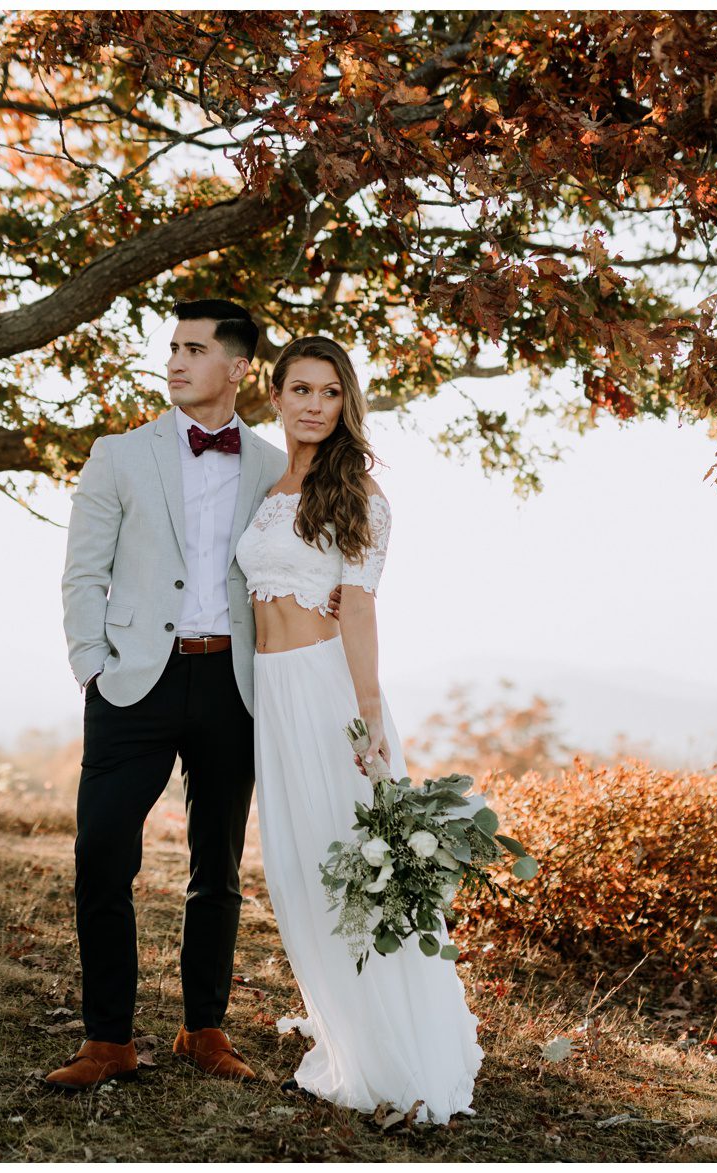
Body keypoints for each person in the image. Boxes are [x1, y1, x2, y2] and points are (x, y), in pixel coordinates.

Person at [233, 334, 484, 1124]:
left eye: (329, 392)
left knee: (357, 867)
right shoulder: (265, 486)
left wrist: (369, 714)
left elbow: (361, 605)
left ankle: (399, 1056)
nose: (313, 405)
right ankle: (347, 1031)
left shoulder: (360, 495)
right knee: (302, 868)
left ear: (347, 402)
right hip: (272, 696)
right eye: (300, 389)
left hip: (327, 692)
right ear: (274, 396)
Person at [50, 298, 291, 1091]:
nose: (176, 361)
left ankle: (204, 1026)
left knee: (215, 866)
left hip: (234, 683)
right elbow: (84, 568)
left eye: (195, 348)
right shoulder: (119, 454)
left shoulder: (272, 464)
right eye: (173, 348)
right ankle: (107, 1038)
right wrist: (92, 663)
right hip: (132, 682)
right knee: (101, 855)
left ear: (239, 367)